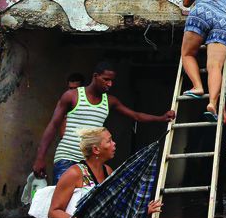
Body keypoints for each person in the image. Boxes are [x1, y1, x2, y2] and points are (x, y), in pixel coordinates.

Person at [32, 61, 175, 183]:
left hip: (91, 162)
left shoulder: (110, 101)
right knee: (62, 203)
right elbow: (53, 126)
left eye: (112, 80)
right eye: (106, 79)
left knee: (84, 206)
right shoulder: (72, 96)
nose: (109, 84)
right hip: (66, 158)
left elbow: (136, 116)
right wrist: (40, 158)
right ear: (95, 76)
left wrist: (161, 118)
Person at [47, 127, 162, 218]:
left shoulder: (108, 171)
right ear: (96, 149)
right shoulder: (74, 173)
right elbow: (54, 213)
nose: (114, 144)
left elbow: (113, 210)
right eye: (109, 141)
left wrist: (141, 212)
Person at [178, 0, 226, 118]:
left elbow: (186, 3)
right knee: (215, 66)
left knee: (188, 54)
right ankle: (212, 103)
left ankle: (197, 87)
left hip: (201, 13)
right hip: (223, 21)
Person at [60, 73, 86, 138]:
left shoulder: (88, 104)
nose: (73, 92)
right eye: (71, 88)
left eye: (76, 89)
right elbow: (62, 134)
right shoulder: (65, 103)